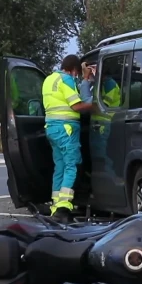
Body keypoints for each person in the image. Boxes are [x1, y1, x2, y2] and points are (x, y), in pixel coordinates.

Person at [42, 54, 95, 223]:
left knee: (60, 167)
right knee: (71, 166)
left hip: (51, 128)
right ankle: (63, 207)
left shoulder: (49, 79)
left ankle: (55, 205)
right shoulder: (67, 80)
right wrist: (97, 106)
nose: (77, 76)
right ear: (73, 70)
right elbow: (77, 106)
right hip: (66, 129)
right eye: (78, 73)